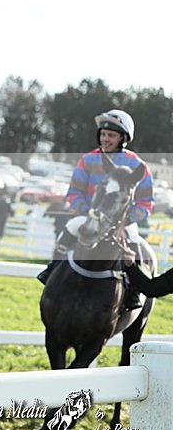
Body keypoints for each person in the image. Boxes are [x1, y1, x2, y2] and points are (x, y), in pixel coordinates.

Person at [37, 110, 154, 311]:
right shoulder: (87, 160)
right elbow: (74, 192)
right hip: (91, 216)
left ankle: (134, 292)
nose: (106, 139)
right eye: (103, 134)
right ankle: (52, 270)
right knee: (70, 227)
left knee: (134, 241)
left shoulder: (137, 165)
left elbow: (146, 201)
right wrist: (85, 211)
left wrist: (127, 221)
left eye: (111, 135)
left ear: (123, 138)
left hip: (122, 221)